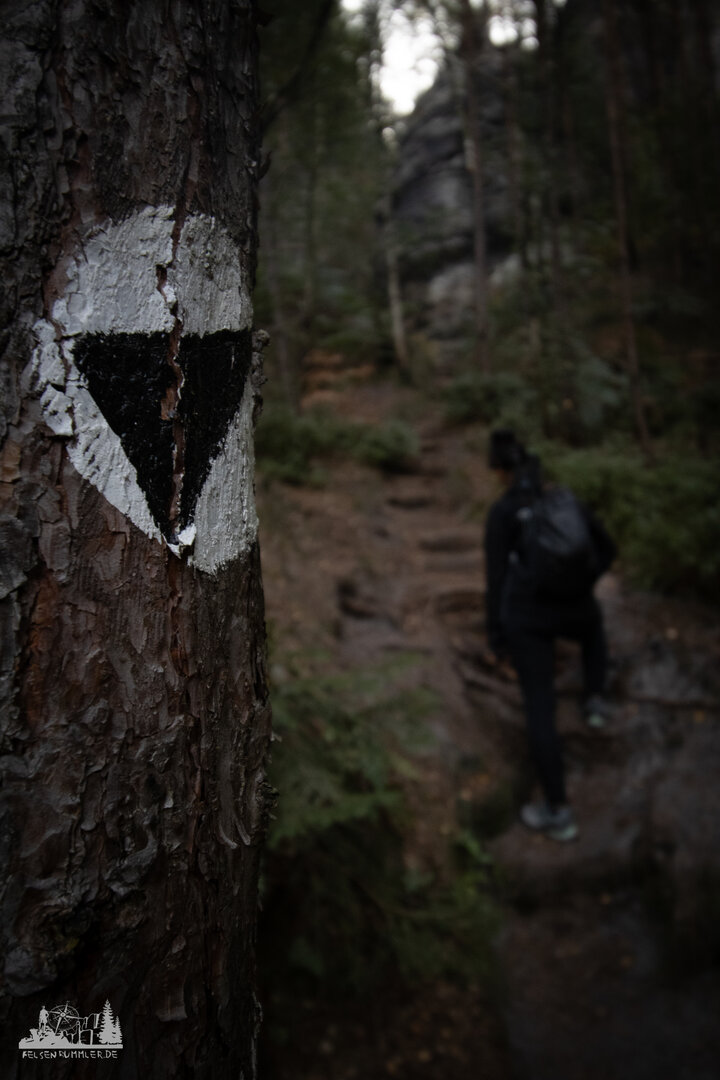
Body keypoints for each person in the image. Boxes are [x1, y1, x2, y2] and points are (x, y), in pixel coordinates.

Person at [484, 429, 616, 842]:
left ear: (501, 472)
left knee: (540, 707)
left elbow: (495, 580)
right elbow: (607, 548)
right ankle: (595, 702)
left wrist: (497, 637)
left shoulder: (502, 513)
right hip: (576, 608)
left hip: (529, 621)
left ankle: (558, 810)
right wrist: (582, 584)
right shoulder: (562, 499)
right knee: (593, 629)